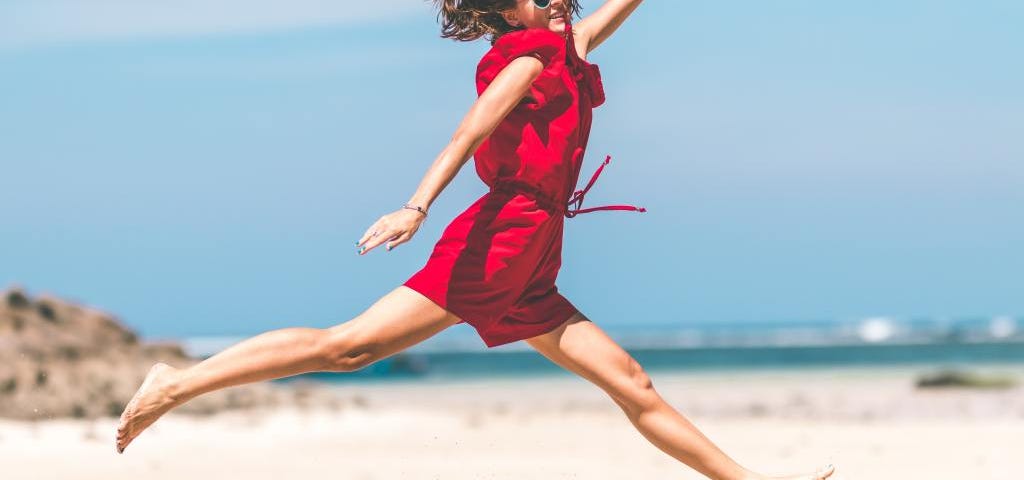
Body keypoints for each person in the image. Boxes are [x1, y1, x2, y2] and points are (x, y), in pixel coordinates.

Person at [116, 1, 837, 479]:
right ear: (504, 7)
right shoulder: (525, 58)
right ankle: (175, 382)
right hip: (498, 240)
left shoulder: (567, 47)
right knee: (351, 346)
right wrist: (416, 206)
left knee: (632, 382)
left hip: (533, 255)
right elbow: (469, 132)